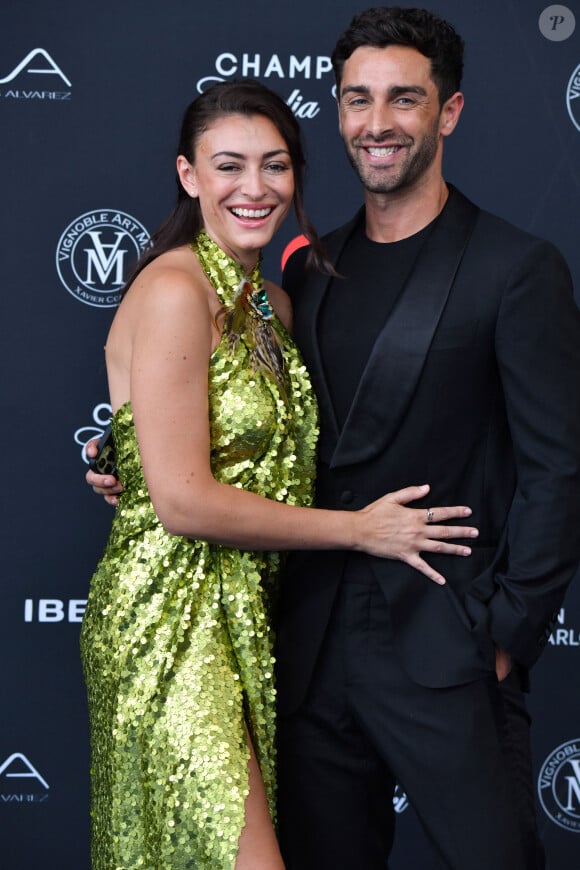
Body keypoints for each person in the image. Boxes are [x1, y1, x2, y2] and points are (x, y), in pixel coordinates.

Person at [81, 78, 479, 870]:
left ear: (297, 175)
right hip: (173, 620)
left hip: (256, 623)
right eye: (229, 167)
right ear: (190, 176)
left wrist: (114, 457)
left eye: (275, 166)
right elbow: (185, 500)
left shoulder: (272, 303)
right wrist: (361, 531)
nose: (254, 189)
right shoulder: (172, 289)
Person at [272, 7, 580, 870]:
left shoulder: (515, 269)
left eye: (403, 99)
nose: (376, 123)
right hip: (311, 642)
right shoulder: (308, 267)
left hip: (447, 639)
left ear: (447, 113)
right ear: (336, 113)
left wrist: (508, 632)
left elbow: (560, 469)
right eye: (356, 100)